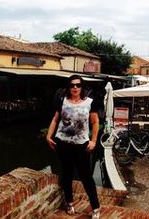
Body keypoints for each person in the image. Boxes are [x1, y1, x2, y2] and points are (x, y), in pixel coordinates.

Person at [45, 75, 102, 217]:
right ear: (68, 87)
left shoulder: (89, 102)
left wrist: (94, 140)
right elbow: (55, 119)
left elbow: (95, 122)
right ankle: (69, 203)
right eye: (72, 85)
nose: (75, 88)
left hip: (81, 145)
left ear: (82, 87)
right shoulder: (62, 101)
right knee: (67, 174)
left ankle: (95, 207)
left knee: (86, 177)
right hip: (62, 144)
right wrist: (48, 136)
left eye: (78, 85)